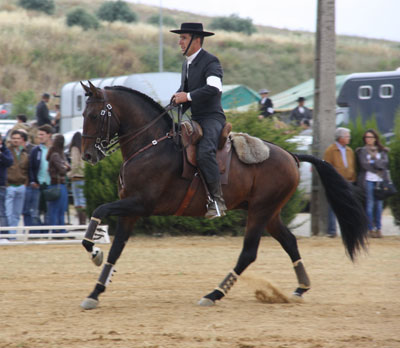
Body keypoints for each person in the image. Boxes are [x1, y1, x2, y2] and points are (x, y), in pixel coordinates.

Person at [170, 22, 227, 219]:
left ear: (196, 40)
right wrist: (175, 100)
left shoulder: (211, 62)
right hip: (196, 118)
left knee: (204, 153)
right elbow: (184, 91)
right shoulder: (187, 64)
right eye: (180, 38)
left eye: (183, 38)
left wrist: (187, 97)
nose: (179, 42)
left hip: (212, 118)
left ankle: (217, 201)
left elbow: (214, 89)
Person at [356, 129, 389, 238]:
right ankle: (370, 229)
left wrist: (374, 162)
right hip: (368, 180)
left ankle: (378, 228)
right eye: (366, 137)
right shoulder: (362, 151)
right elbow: (364, 164)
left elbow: (385, 163)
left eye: (370, 137)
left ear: (375, 138)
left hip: (379, 181)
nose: (368, 139)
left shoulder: (382, 150)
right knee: (369, 205)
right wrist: (377, 167)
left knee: (379, 206)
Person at [323, 127, 356, 237]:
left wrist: (352, 179)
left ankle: (347, 230)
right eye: (347, 136)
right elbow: (326, 168)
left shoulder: (349, 151)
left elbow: (352, 167)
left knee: (348, 207)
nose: (349, 138)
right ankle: (332, 231)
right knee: (334, 207)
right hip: (336, 183)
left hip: (348, 182)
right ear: (340, 138)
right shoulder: (330, 150)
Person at [28, 124, 53, 227]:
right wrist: (33, 181)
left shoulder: (54, 149)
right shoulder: (35, 150)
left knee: (49, 211)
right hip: (38, 185)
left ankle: (47, 232)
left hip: (50, 185)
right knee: (35, 211)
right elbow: (31, 167)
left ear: (49, 135)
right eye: (39, 135)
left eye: (42, 134)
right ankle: (36, 232)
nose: (40, 137)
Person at [6, 130, 29, 234]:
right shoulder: (7, 152)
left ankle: (13, 235)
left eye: (18, 138)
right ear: (11, 140)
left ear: (22, 140)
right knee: (8, 213)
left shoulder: (24, 153)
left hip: (21, 186)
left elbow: (27, 169)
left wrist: (25, 183)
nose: (15, 140)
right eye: (14, 138)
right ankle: (7, 234)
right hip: (9, 185)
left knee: (17, 213)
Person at [47, 134, 70, 231]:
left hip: (57, 185)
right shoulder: (56, 155)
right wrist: (66, 166)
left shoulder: (57, 154)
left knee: (56, 210)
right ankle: (58, 231)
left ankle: (59, 230)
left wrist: (66, 167)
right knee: (57, 210)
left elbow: (67, 168)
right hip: (58, 185)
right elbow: (63, 170)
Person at [67, 131, 87, 225]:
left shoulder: (75, 148)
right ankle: (83, 222)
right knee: (83, 200)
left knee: (78, 201)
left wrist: (68, 174)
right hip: (84, 177)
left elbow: (75, 164)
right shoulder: (84, 148)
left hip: (76, 177)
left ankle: (81, 223)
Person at [0, 134, 13, 227]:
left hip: (1, 185)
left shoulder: (5, 151)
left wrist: (1, 154)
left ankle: (4, 235)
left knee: (2, 211)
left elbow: (9, 162)